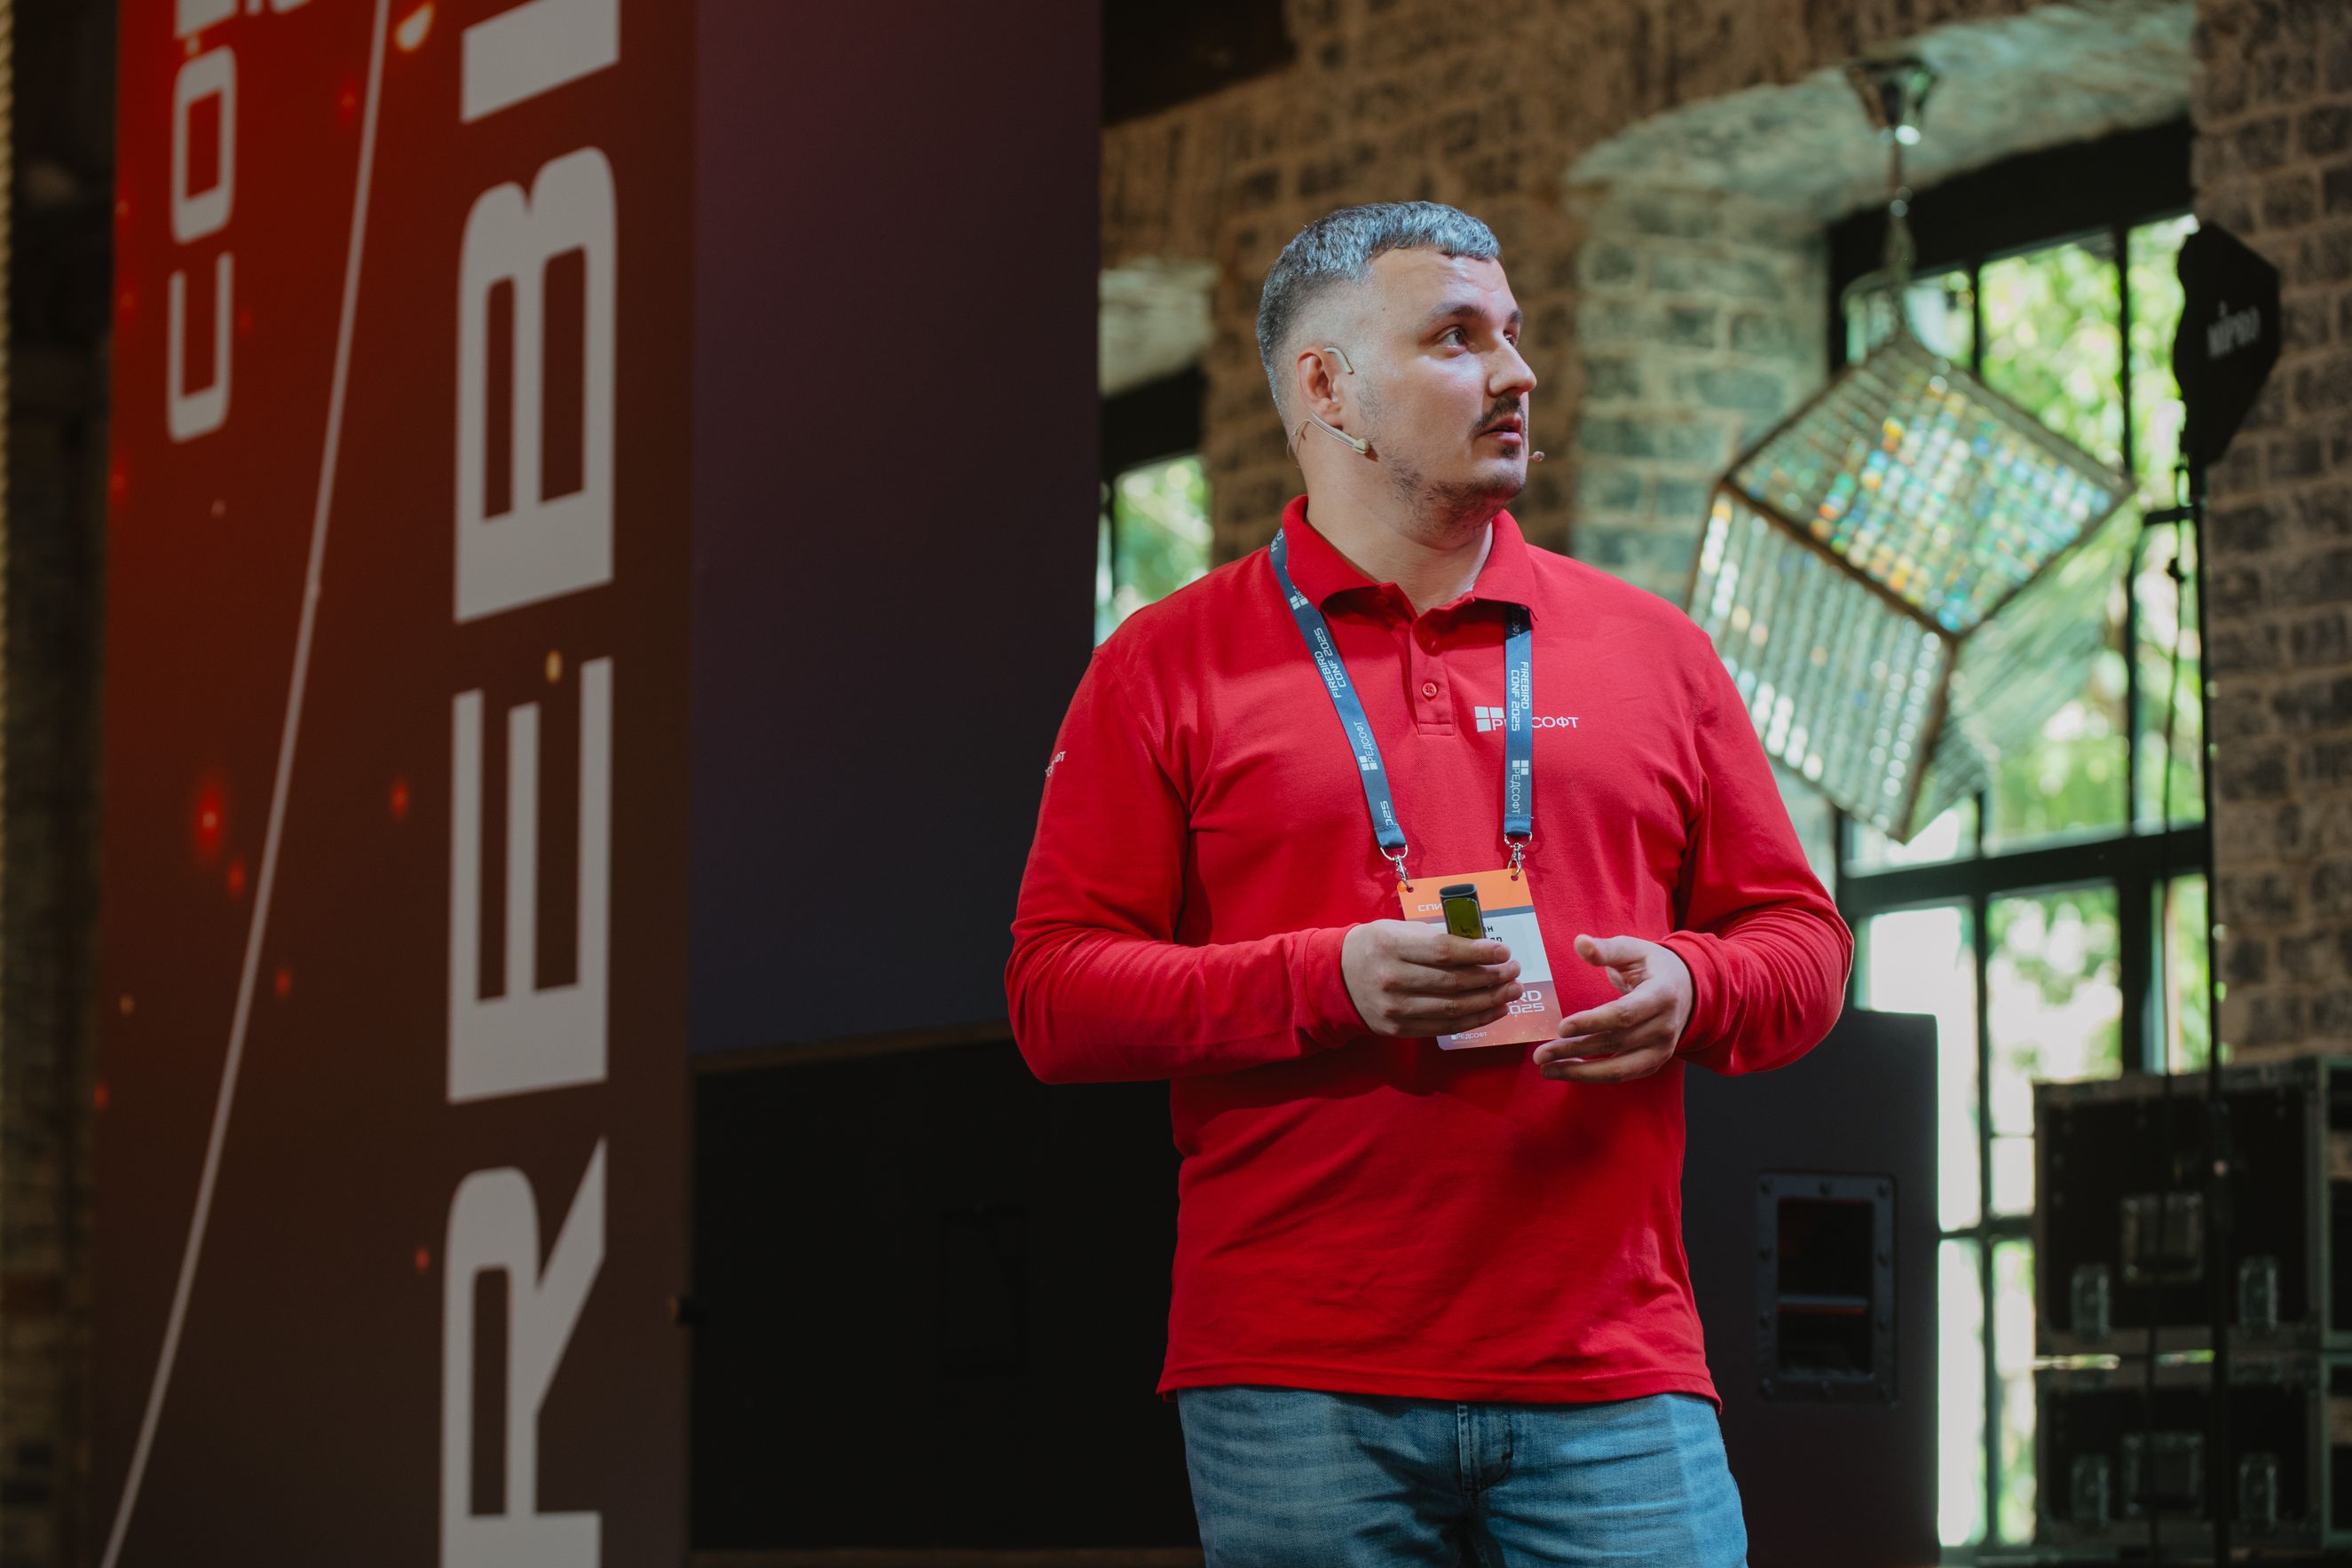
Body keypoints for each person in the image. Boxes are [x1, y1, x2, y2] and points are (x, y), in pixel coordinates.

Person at [1006, 200, 1851, 1566]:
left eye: (1509, 335)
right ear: (1326, 388)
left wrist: (1694, 986)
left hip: (1612, 1366)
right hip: (1295, 1377)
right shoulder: (1160, 666)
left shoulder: (1655, 652)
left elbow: (1801, 945)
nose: (1516, 373)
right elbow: (1055, 997)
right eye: (1456, 339)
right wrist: (1323, 978)